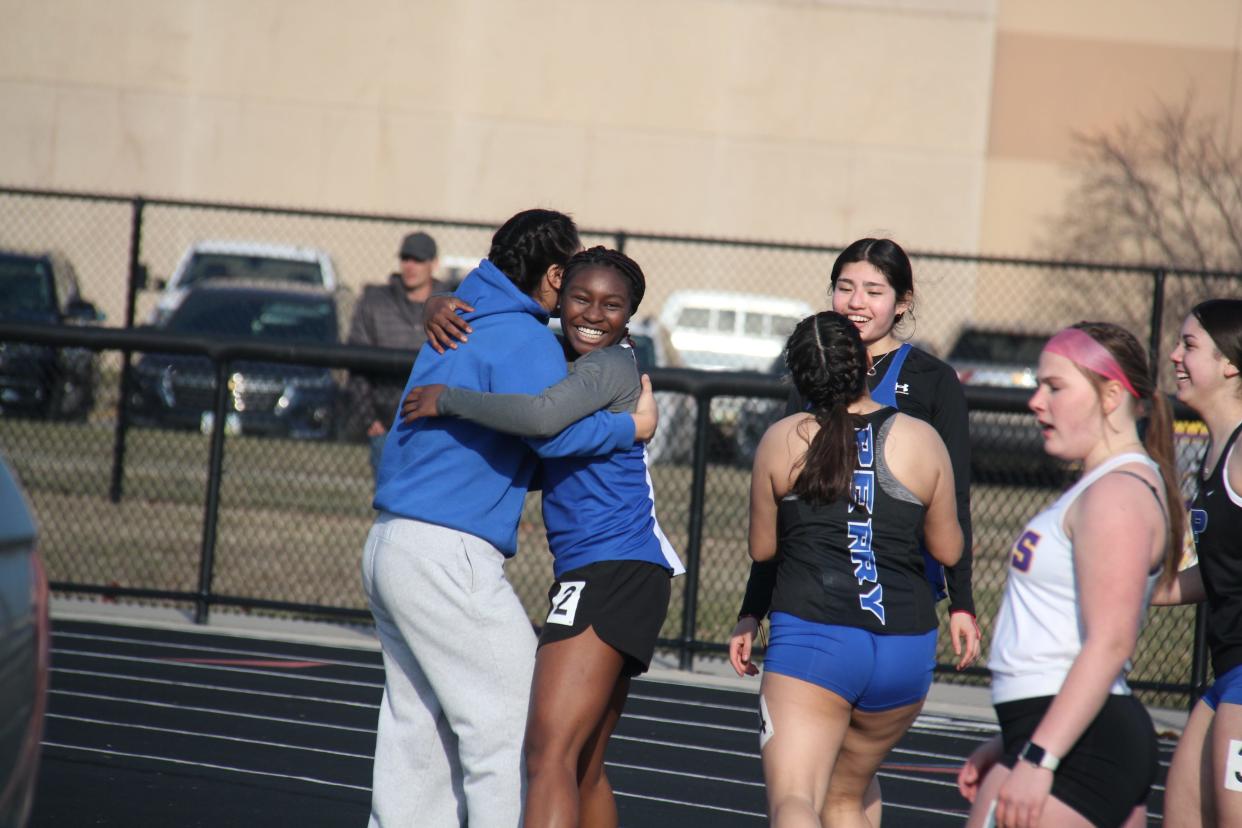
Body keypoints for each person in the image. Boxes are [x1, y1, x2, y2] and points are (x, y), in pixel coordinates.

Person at [361, 210, 658, 828]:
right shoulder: (523, 337)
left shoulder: (461, 315)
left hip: (390, 541)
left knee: (416, 730)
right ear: (553, 275)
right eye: (571, 276)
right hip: (449, 551)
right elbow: (549, 429)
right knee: (517, 726)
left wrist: (433, 303)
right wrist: (630, 427)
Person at [726, 311, 963, 826]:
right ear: (863, 366)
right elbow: (948, 549)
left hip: (816, 641)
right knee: (844, 797)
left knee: (795, 799)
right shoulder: (920, 438)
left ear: (798, 376)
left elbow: (763, 549)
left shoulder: (781, 439)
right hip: (904, 649)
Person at [957, 322, 1184, 828]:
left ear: (1110, 396)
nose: (1036, 402)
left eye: (1055, 387)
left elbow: (1110, 644)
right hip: (1052, 731)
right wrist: (1011, 742)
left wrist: (1039, 757)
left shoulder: (1116, 495)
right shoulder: (1100, 486)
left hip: (1082, 748)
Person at [1150, 298, 1242, 828]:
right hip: (1227, 673)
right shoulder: (1215, 452)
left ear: (1231, 363)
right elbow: (1219, 573)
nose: (1173, 356)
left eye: (1188, 345)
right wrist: (1138, 591)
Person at [346, 230, 450, 482]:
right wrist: (370, 419)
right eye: (406, 258)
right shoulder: (374, 303)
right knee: (388, 500)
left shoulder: (451, 305)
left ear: (433, 264)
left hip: (436, 424)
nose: (410, 266)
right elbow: (355, 361)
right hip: (387, 422)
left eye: (418, 260)